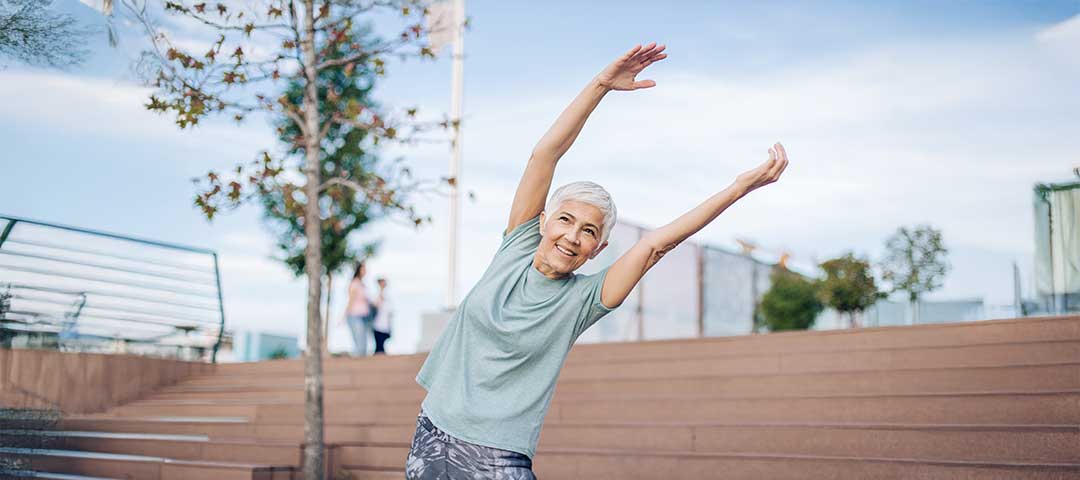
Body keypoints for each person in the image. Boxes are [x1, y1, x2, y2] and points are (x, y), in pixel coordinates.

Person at [405, 43, 788, 480]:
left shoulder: (584, 299)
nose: (572, 236)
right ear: (544, 222)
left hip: (498, 457)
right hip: (432, 432)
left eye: (589, 231)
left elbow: (656, 245)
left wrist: (738, 188)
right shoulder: (515, 247)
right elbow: (545, 156)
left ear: (598, 249)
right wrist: (601, 86)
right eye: (565, 220)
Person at [344, 261, 377, 356]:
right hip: (355, 316)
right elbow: (350, 301)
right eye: (364, 268)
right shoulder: (354, 284)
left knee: (364, 343)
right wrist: (344, 316)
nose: (366, 271)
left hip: (365, 317)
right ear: (359, 270)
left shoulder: (363, 284)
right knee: (360, 344)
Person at [372, 276, 392, 354]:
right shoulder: (376, 294)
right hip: (377, 325)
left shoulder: (389, 295)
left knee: (381, 346)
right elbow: (375, 305)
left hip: (385, 325)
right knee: (379, 347)